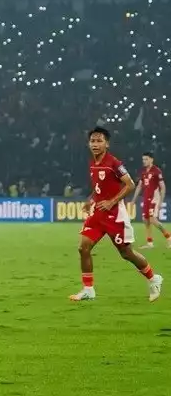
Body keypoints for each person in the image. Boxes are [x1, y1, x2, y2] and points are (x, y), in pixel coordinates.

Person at [71, 127, 162, 302]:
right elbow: (99, 187)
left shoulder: (114, 163)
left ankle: (154, 278)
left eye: (99, 141)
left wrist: (111, 202)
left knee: (126, 253)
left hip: (115, 215)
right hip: (98, 213)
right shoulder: (92, 162)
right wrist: (91, 199)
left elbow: (130, 184)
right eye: (92, 141)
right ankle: (88, 290)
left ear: (107, 144)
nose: (95, 144)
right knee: (83, 248)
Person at [130, 152, 170, 249]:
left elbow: (163, 187)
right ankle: (150, 243)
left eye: (146, 159)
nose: (144, 161)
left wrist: (160, 202)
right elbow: (139, 186)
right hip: (146, 198)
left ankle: (169, 237)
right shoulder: (143, 171)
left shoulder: (156, 171)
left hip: (154, 198)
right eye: (143, 159)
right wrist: (134, 200)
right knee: (145, 220)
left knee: (153, 220)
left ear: (151, 159)